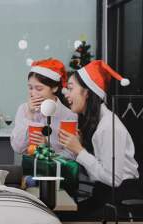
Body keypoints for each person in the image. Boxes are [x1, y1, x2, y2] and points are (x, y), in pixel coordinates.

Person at [59, 60, 139, 189]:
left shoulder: (108, 126)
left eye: (70, 88)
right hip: (103, 193)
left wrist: (79, 150)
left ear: (87, 92)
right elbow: (94, 171)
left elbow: (114, 179)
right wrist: (77, 148)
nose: (66, 94)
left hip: (120, 198)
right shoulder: (94, 122)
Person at [11, 58, 77, 158]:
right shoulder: (24, 109)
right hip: (29, 169)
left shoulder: (68, 115)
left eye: (39, 88)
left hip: (57, 171)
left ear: (54, 88)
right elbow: (17, 148)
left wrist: (47, 148)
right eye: (30, 88)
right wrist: (29, 116)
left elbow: (72, 155)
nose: (33, 93)